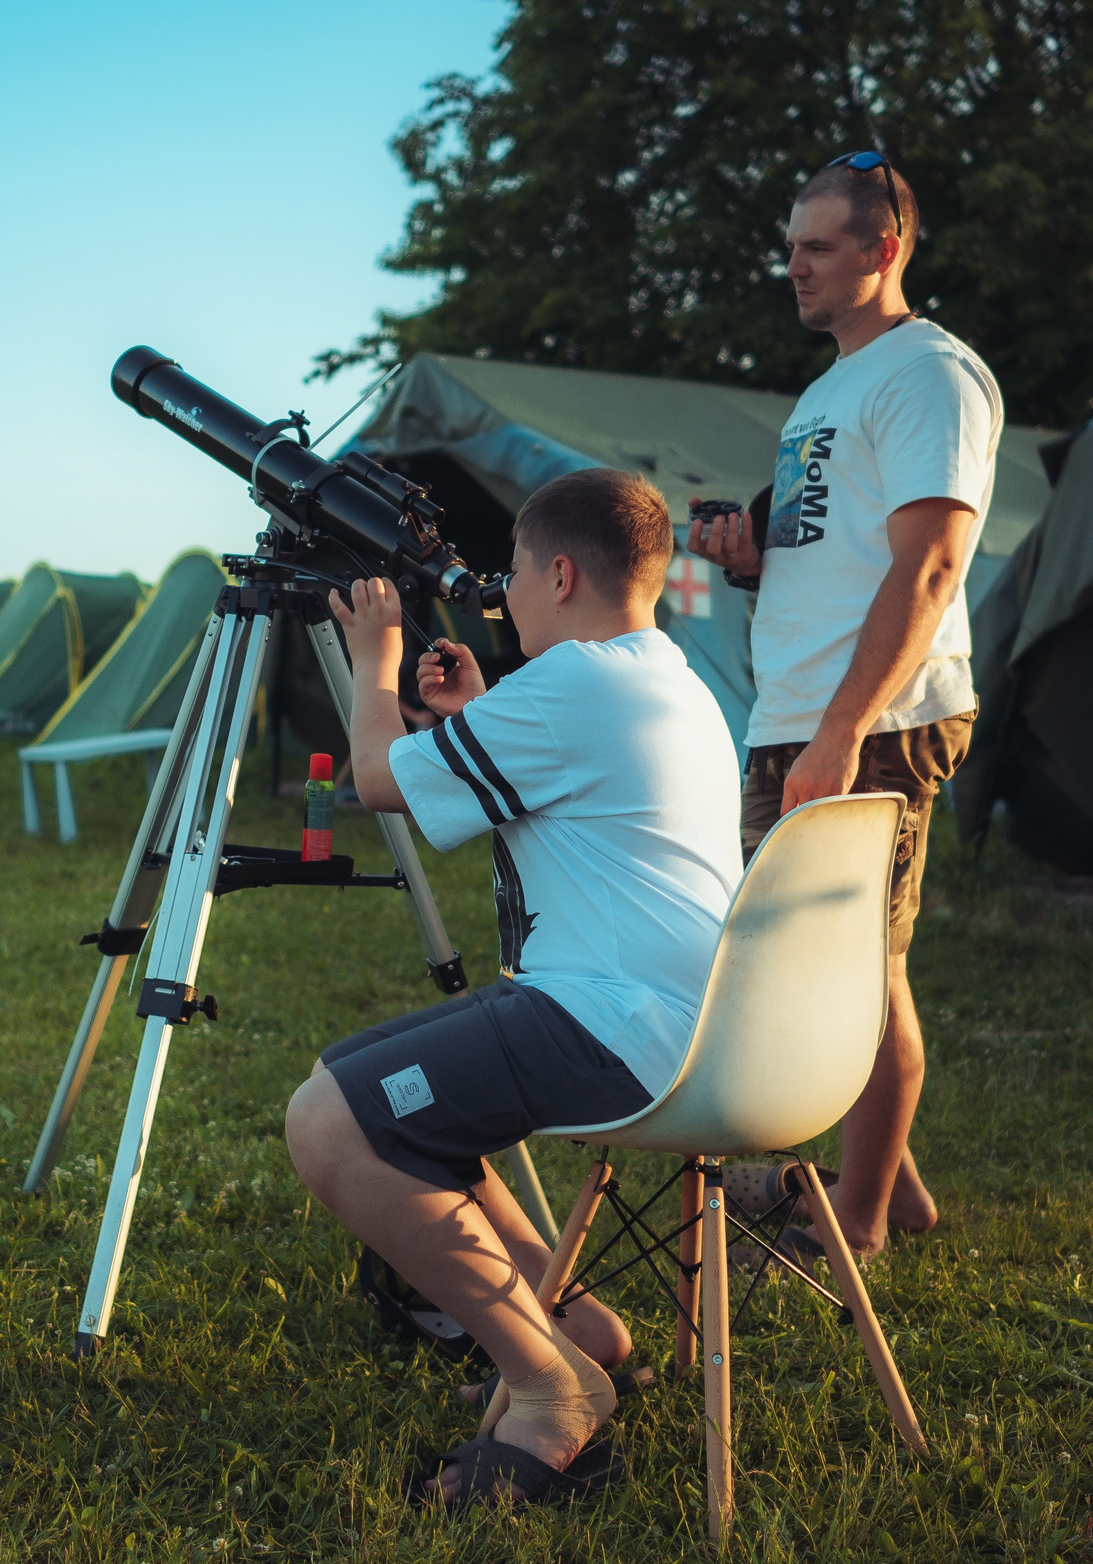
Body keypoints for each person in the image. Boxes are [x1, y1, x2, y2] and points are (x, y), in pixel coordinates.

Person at [283, 468, 742, 1508]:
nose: (505, 596)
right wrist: (478, 714)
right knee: (356, 1086)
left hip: (615, 1027)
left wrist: (374, 659)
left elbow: (377, 783)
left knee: (328, 1122)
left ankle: (550, 1394)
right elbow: (560, 797)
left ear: (563, 572)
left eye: (519, 575)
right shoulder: (660, 673)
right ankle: (570, 1323)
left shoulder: (575, 682)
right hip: (678, 1017)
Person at [689, 152, 1003, 1269]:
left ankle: (858, 1227)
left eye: (817, 246)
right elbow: (841, 563)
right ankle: (895, 1192)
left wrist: (842, 734)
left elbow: (929, 572)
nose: (794, 267)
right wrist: (750, 563)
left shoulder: (928, 374)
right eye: (789, 247)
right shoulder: (830, 390)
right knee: (801, 961)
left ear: (885, 249)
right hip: (798, 713)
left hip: (871, 720)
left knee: (860, 972)